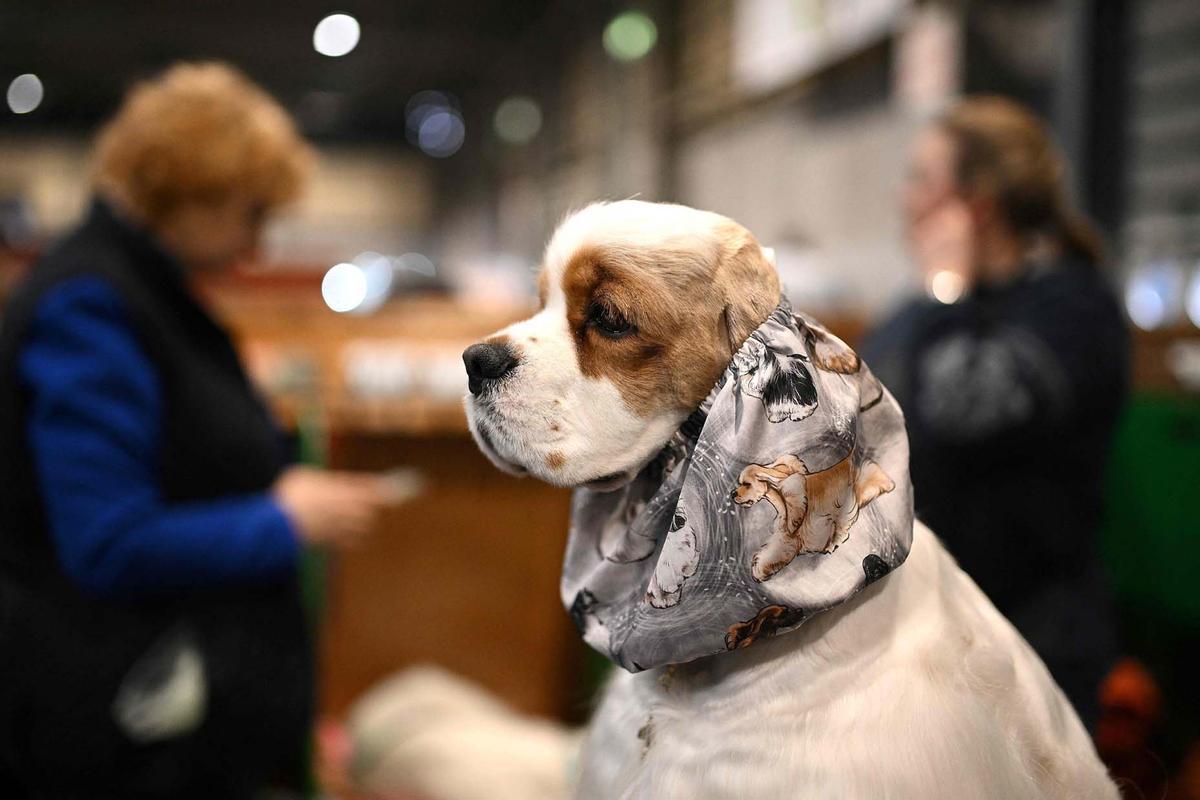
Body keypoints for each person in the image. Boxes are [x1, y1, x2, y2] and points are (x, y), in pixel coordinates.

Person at [0, 63, 389, 798]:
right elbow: (107, 544)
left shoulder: (143, 293)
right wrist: (281, 519)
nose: (258, 245)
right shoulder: (90, 308)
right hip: (116, 739)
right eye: (250, 215)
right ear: (189, 194)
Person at [861, 96, 1129, 729]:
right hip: (928, 623)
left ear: (975, 202)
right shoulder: (926, 310)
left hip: (1032, 640)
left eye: (922, 178)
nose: (906, 198)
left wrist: (947, 286)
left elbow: (959, 411)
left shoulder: (1072, 305)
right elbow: (869, 401)